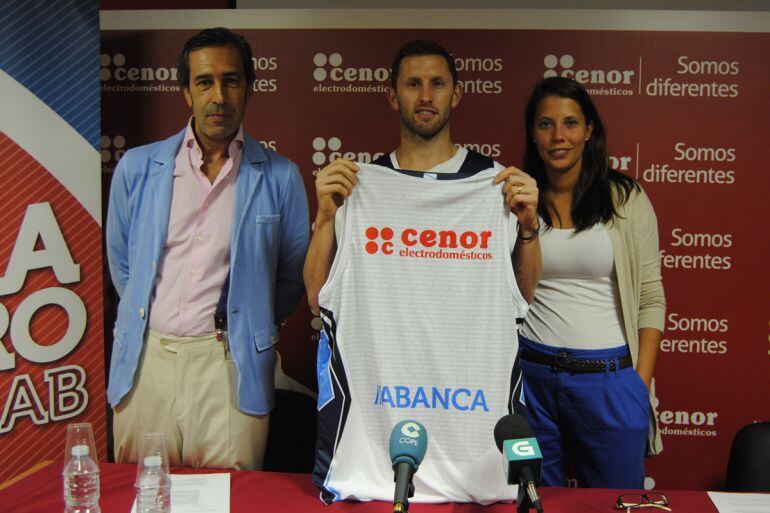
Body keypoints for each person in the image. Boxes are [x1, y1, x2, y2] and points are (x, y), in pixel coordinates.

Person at [304, 40, 541, 503]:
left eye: (437, 84)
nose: (426, 96)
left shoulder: (496, 187)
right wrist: (327, 218)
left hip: (474, 454)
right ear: (393, 95)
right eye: (413, 84)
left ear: (457, 94)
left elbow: (522, 297)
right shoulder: (358, 189)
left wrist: (529, 226)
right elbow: (318, 296)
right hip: (374, 460)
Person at [105, 27, 309, 470]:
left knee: (229, 496)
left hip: (229, 365)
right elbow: (122, 266)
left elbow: (292, 277)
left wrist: (249, 320)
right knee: (142, 492)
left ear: (250, 88)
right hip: (145, 362)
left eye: (232, 80)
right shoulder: (139, 168)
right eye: (204, 82)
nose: (219, 95)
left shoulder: (280, 176)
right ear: (186, 92)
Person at [517, 76, 665, 488]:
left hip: (609, 381)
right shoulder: (516, 200)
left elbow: (651, 295)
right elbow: (510, 291)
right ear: (532, 132)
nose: (558, 136)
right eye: (546, 124)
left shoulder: (625, 198)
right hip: (532, 379)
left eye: (570, 123)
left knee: (614, 501)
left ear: (589, 130)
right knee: (533, 498)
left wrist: (639, 383)